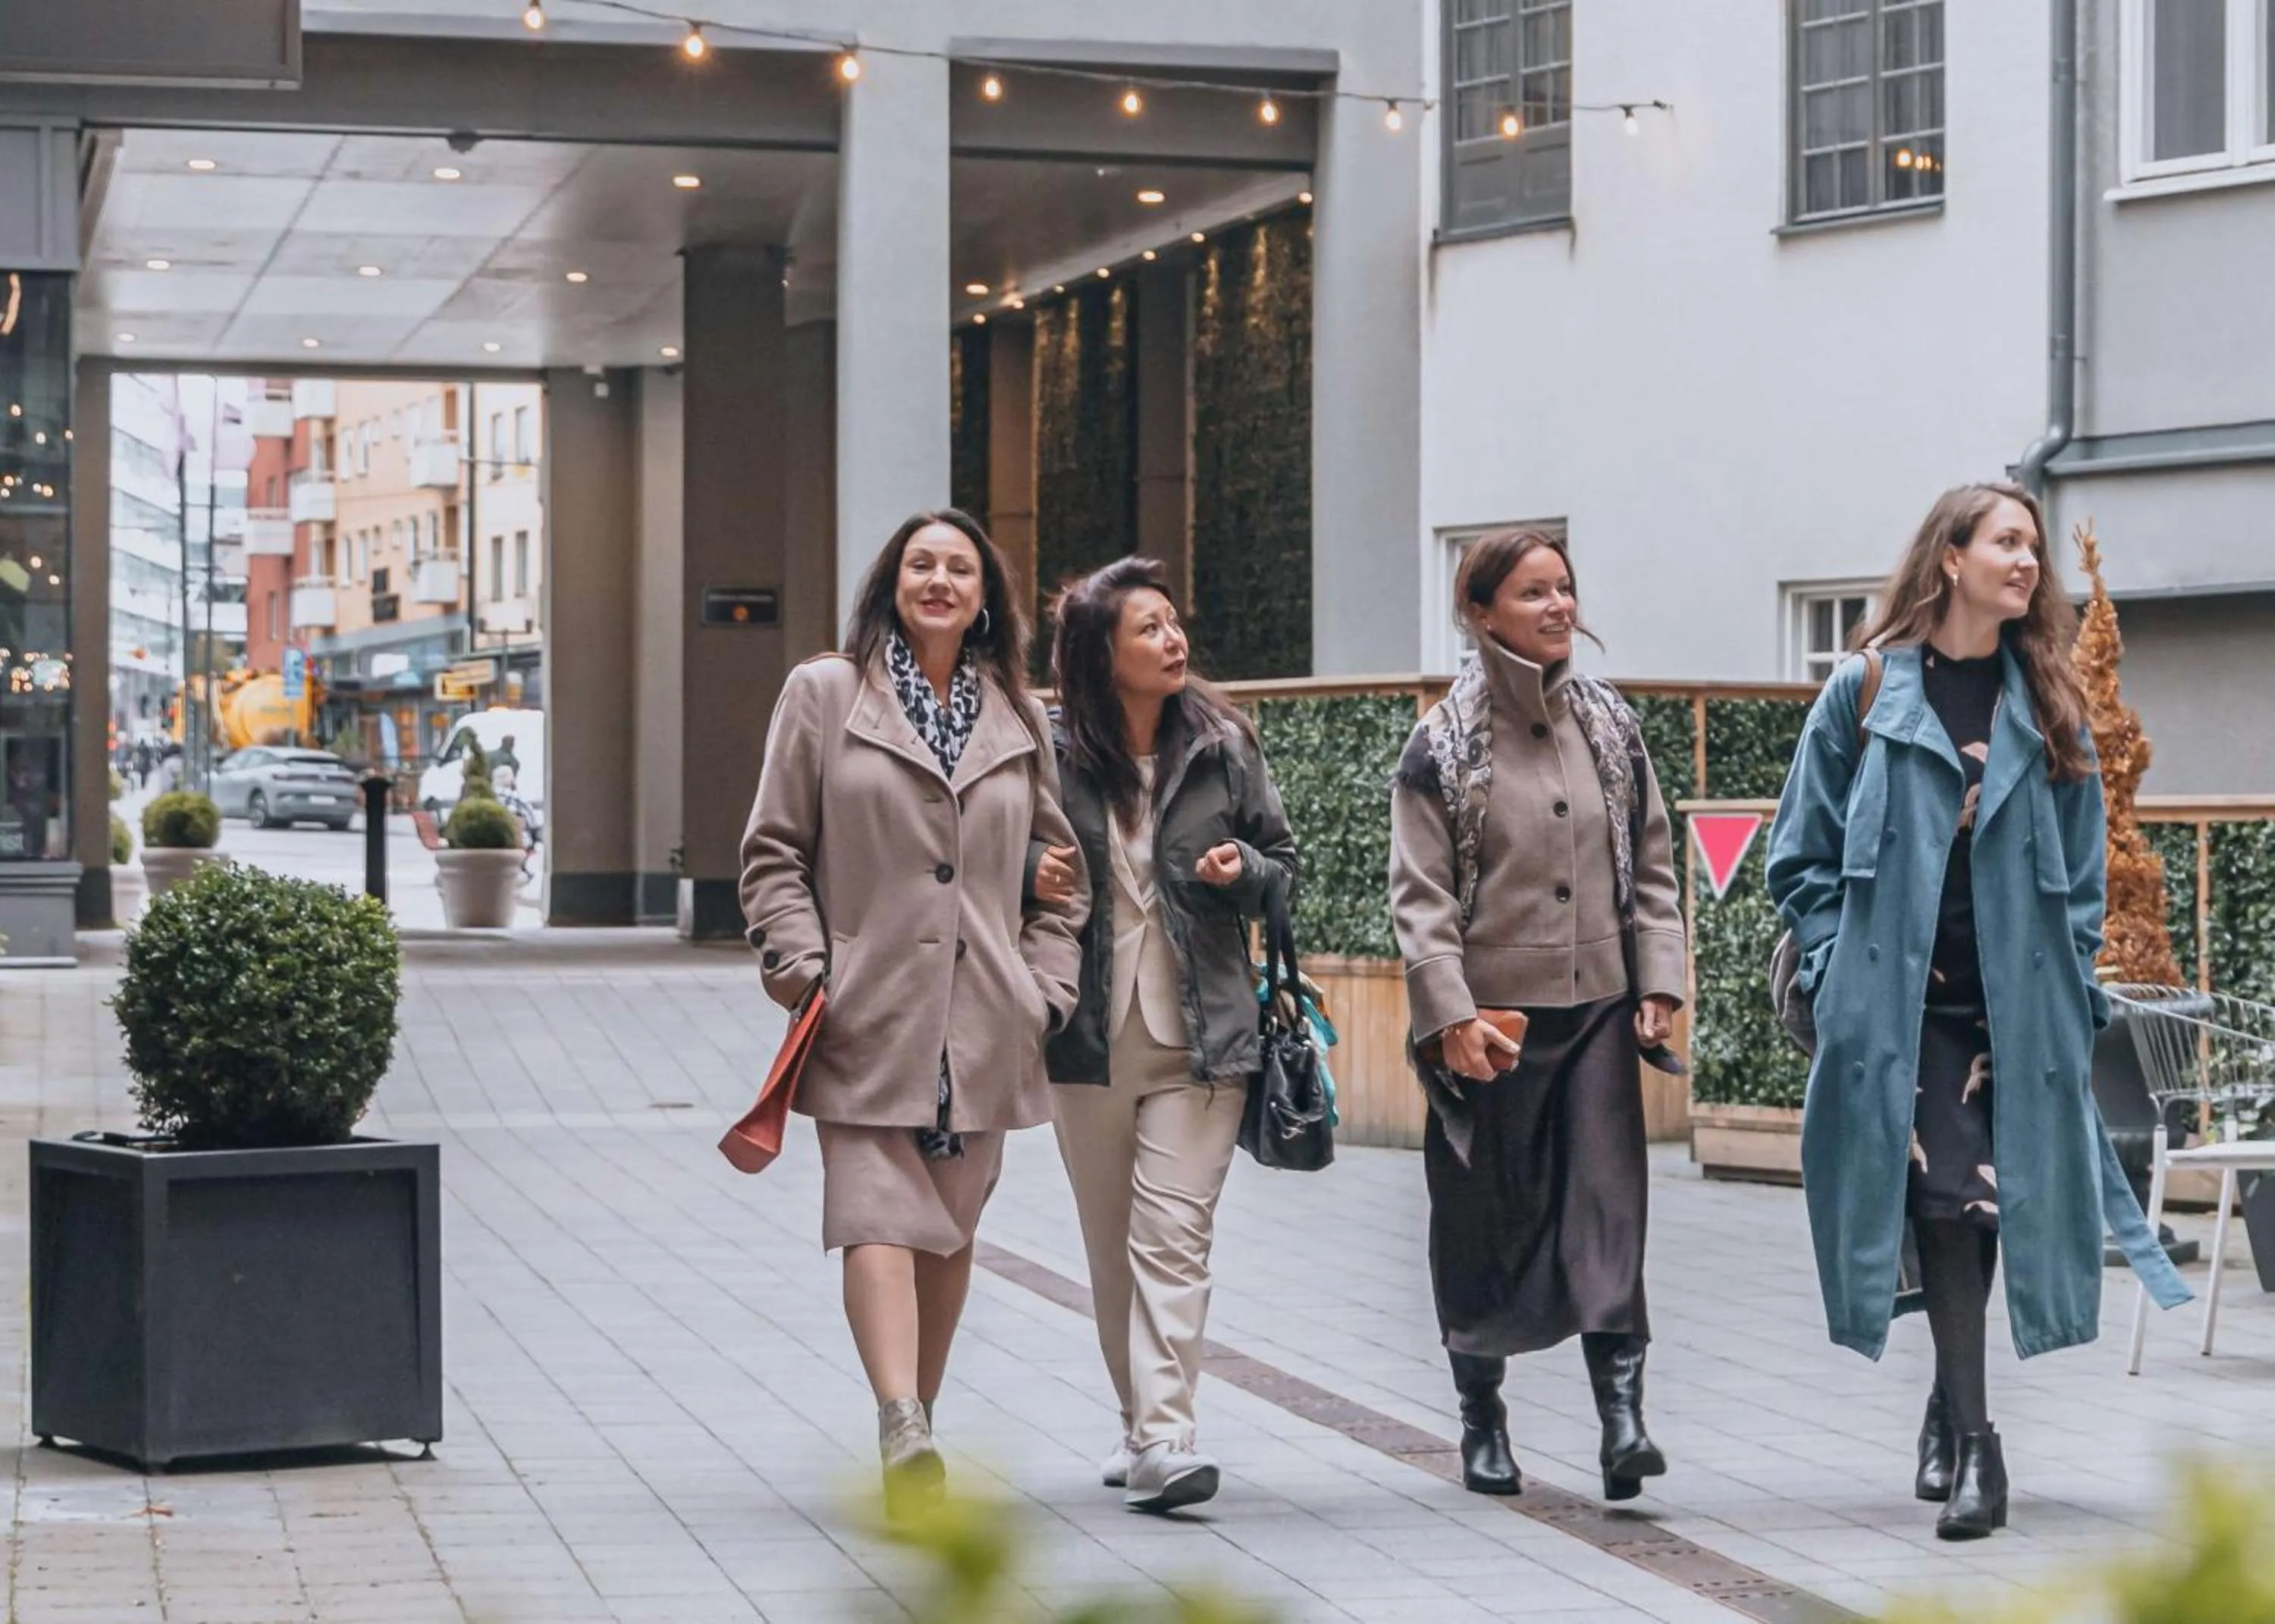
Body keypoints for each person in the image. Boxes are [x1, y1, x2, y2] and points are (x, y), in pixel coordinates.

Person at [1764, 481, 2189, 1541]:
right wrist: (1833, 967)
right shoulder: (1865, 692)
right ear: (1950, 557)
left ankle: (1948, 1408)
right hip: (1904, 1017)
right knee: (1948, 1204)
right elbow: (1799, 858)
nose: (2028, 561)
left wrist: (2069, 969)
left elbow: (2083, 874)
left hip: (2016, 1020)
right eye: (2008, 540)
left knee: (1984, 1207)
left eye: (2034, 547)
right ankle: (1979, 1447)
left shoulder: (2049, 708)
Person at [739, 509, 1087, 1509]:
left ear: (986, 597)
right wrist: (808, 970)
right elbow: (772, 852)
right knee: (873, 1217)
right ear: (892, 579)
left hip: (984, 1019)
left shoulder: (1019, 716)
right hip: (863, 1010)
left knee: (946, 1233)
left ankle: (915, 1433)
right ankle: (899, 1419)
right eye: (921, 563)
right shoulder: (825, 692)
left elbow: (1063, 883)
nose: (938, 579)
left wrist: (1043, 991)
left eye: (959, 568)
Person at [1388, 528, 1687, 1503]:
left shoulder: (1612, 724)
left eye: (1565, 589)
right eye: (1532, 593)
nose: (1559, 607)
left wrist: (1659, 980)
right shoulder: (1440, 741)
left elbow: (1651, 863)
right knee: (1484, 1218)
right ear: (1481, 611)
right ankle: (1482, 1414)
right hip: (1491, 1025)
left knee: (1610, 1204)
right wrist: (1449, 1012)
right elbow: (1420, 896)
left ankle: (1624, 1422)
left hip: (1600, 1006)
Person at [1035, 558, 1298, 1514]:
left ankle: (1166, 1436)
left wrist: (1245, 871)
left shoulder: (1223, 745)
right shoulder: (1049, 749)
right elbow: (1005, 850)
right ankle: (1138, 1417)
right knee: (1114, 1248)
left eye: (1175, 622)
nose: (1173, 639)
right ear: (1101, 654)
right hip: (1088, 1033)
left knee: (1173, 1238)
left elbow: (1285, 866)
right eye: (1148, 628)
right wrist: (1035, 872)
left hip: (1202, 1032)